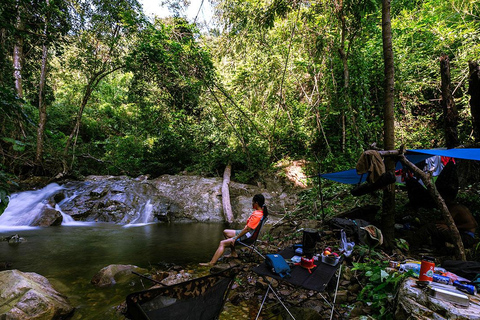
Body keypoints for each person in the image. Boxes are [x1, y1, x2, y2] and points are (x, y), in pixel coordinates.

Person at [199, 194, 268, 266]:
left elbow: (247, 229)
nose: (252, 203)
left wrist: (235, 238)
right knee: (225, 232)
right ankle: (233, 253)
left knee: (222, 243)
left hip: (247, 237)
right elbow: (248, 228)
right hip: (249, 234)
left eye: (253, 202)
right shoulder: (262, 213)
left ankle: (211, 263)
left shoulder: (256, 215)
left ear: (256, 203)